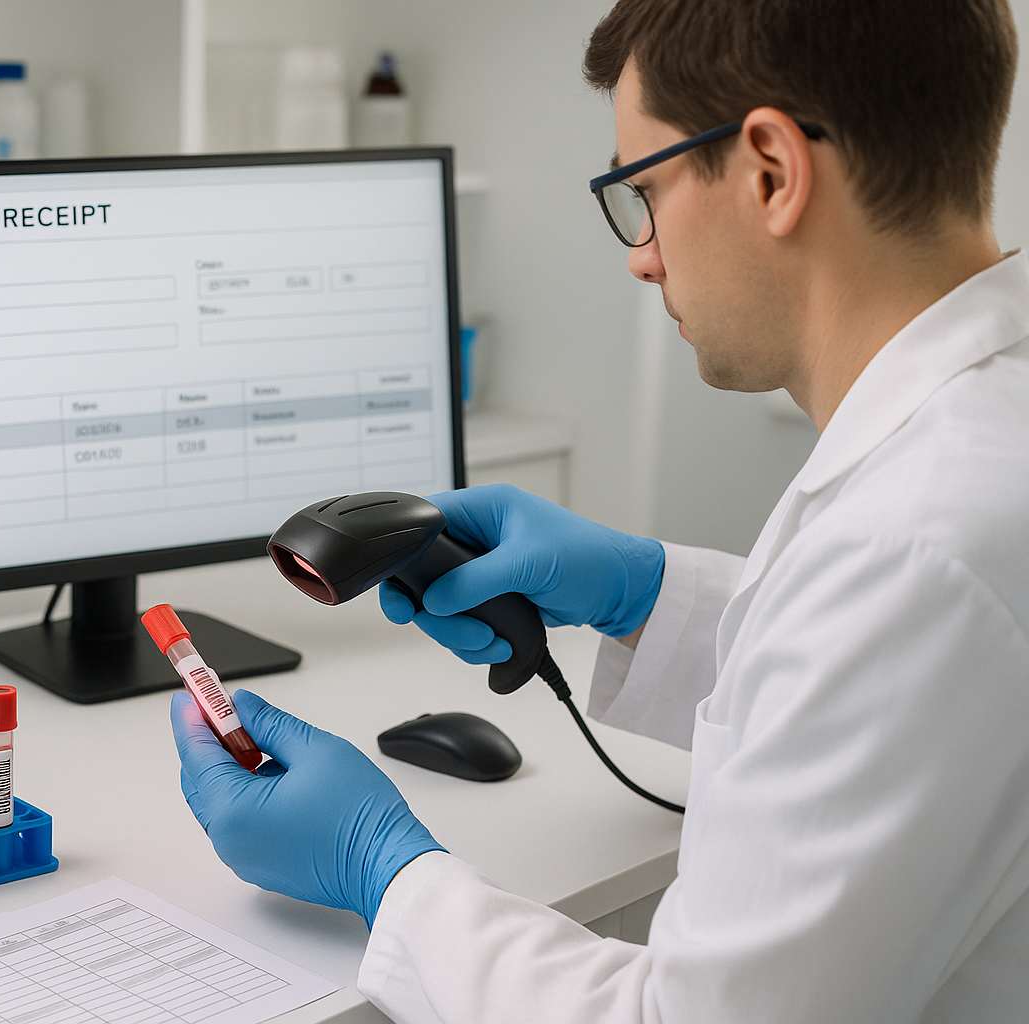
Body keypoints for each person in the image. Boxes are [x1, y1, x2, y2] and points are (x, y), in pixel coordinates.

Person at [171, 0, 1029, 1020]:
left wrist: (383, 868)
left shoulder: (915, 552)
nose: (643, 255)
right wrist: (647, 595)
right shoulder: (978, 444)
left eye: (645, 194)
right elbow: (877, 689)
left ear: (770, 171)